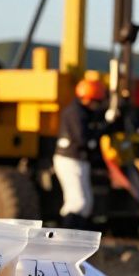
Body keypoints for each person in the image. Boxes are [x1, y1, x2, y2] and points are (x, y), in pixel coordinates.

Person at [53, 78, 105, 229]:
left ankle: (78, 238)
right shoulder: (75, 113)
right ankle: (65, 239)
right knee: (76, 202)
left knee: (86, 203)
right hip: (70, 159)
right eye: (95, 101)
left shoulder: (84, 113)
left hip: (79, 160)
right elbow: (82, 138)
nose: (96, 106)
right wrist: (99, 131)